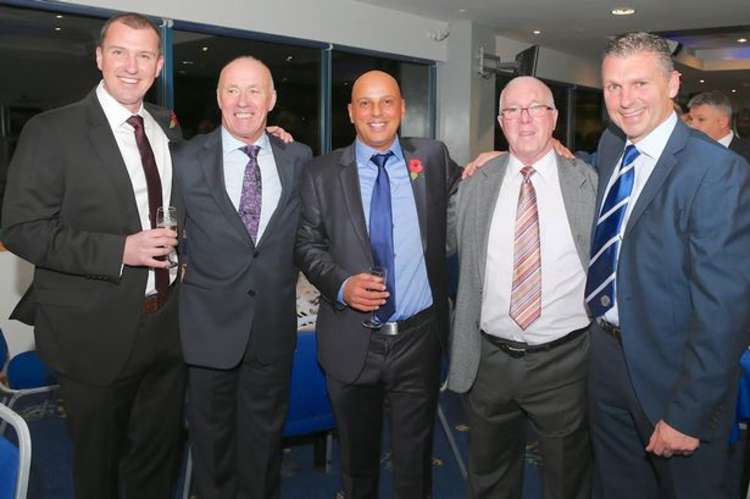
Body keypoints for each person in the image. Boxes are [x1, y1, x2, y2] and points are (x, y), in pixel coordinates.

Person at [1, 13, 184, 499]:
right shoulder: (52, 130)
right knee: (96, 469)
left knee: (156, 461)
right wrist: (120, 249)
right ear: (99, 58)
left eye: (145, 55)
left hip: (169, 327)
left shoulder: (166, 125)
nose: (132, 65)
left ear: (159, 64)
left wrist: (264, 141)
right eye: (120, 52)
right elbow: (20, 228)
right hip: (93, 332)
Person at [586, 32, 750, 499]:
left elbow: (725, 311)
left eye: (640, 84)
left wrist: (688, 413)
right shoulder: (611, 146)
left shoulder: (716, 171)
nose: (625, 99)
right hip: (607, 364)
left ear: (673, 84)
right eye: (613, 87)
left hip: (675, 376)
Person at [295, 70, 460, 499]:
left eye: (387, 102)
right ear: (351, 112)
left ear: (403, 108)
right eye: (365, 103)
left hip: (417, 339)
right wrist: (342, 284)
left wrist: (519, 153)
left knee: (415, 460)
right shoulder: (321, 172)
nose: (377, 112)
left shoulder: (433, 157)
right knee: (357, 462)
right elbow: (307, 244)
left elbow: (474, 180)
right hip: (352, 338)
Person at [447, 76, 596, 499]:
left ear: (554, 117)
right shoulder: (475, 181)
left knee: (567, 480)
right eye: (512, 110)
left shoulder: (589, 182)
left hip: (565, 360)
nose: (524, 118)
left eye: (535, 108)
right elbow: (435, 240)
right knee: (489, 477)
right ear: (500, 121)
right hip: (489, 358)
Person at [173, 56, 312, 499]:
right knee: (211, 450)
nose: (243, 101)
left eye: (254, 90)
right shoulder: (185, 159)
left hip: (271, 328)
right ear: (218, 98)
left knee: (264, 447)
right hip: (207, 330)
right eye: (232, 90)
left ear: (271, 99)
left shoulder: (298, 158)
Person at [688, 90, 750, 161]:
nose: (692, 125)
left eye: (701, 119)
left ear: (722, 122)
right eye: (691, 119)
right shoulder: (687, 151)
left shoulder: (746, 155)